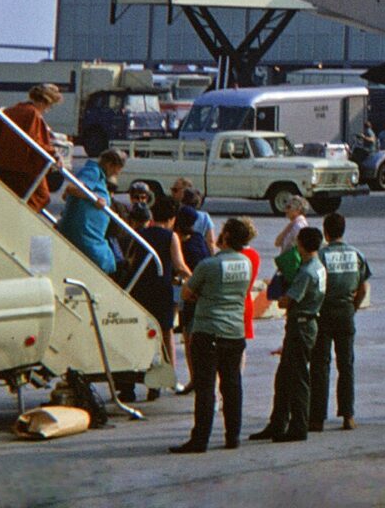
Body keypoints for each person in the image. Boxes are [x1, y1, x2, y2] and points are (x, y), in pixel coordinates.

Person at [169, 216, 257, 453]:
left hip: (208, 331)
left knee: (206, 387)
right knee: (232, 385)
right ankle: (232, 436)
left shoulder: (209, 264)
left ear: (226, 237)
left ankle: (200, 439)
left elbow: (187, 293)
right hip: (234, 331)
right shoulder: (246, 263)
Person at [255, 226, 325, 443]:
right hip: (305, 323)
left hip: (301, 325)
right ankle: (278, 422)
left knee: (298, 378)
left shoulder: (306, 272)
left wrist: (279, 287)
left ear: (300, 244)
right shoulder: (318, 266)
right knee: (284, 377)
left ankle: (298, 425)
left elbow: (286, 301)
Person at [308, 212, 370, 432]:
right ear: (343, 230)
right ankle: (348, 415)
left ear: (325, 231)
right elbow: (363, 288)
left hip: (324, 313)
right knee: (346, 365)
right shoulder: (356, 255)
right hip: (345, 313)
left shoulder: (320, 256)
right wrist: (352, 308)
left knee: (320, 366)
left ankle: (317, 418)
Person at [128, 195, 188, 362]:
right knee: (166, 332)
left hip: (141, 288)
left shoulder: (141, 234)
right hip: (161, 289)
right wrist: (195, 279)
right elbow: (179, 266)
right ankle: (170, 372)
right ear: (171, 219)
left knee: (141, 331)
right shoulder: (170, 236)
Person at [0, 83, 62, 210]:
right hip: (25, 169)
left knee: (12, 198)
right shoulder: (33, 114)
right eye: (50, 106)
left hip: (3, 164)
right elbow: (34, 142)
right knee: (41, 197)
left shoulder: (9, 111)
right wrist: (54, 154)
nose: (48, 109)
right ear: (45, 102)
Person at [58, 149, 125, 273]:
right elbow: (73, 188)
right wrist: (94, 198)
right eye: (117, 169)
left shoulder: (100, 177)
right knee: (110, 264)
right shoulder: (92, 171)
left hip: (90, 236)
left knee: (115, 262)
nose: (117, 174)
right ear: (110, 165)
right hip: (85, 238)